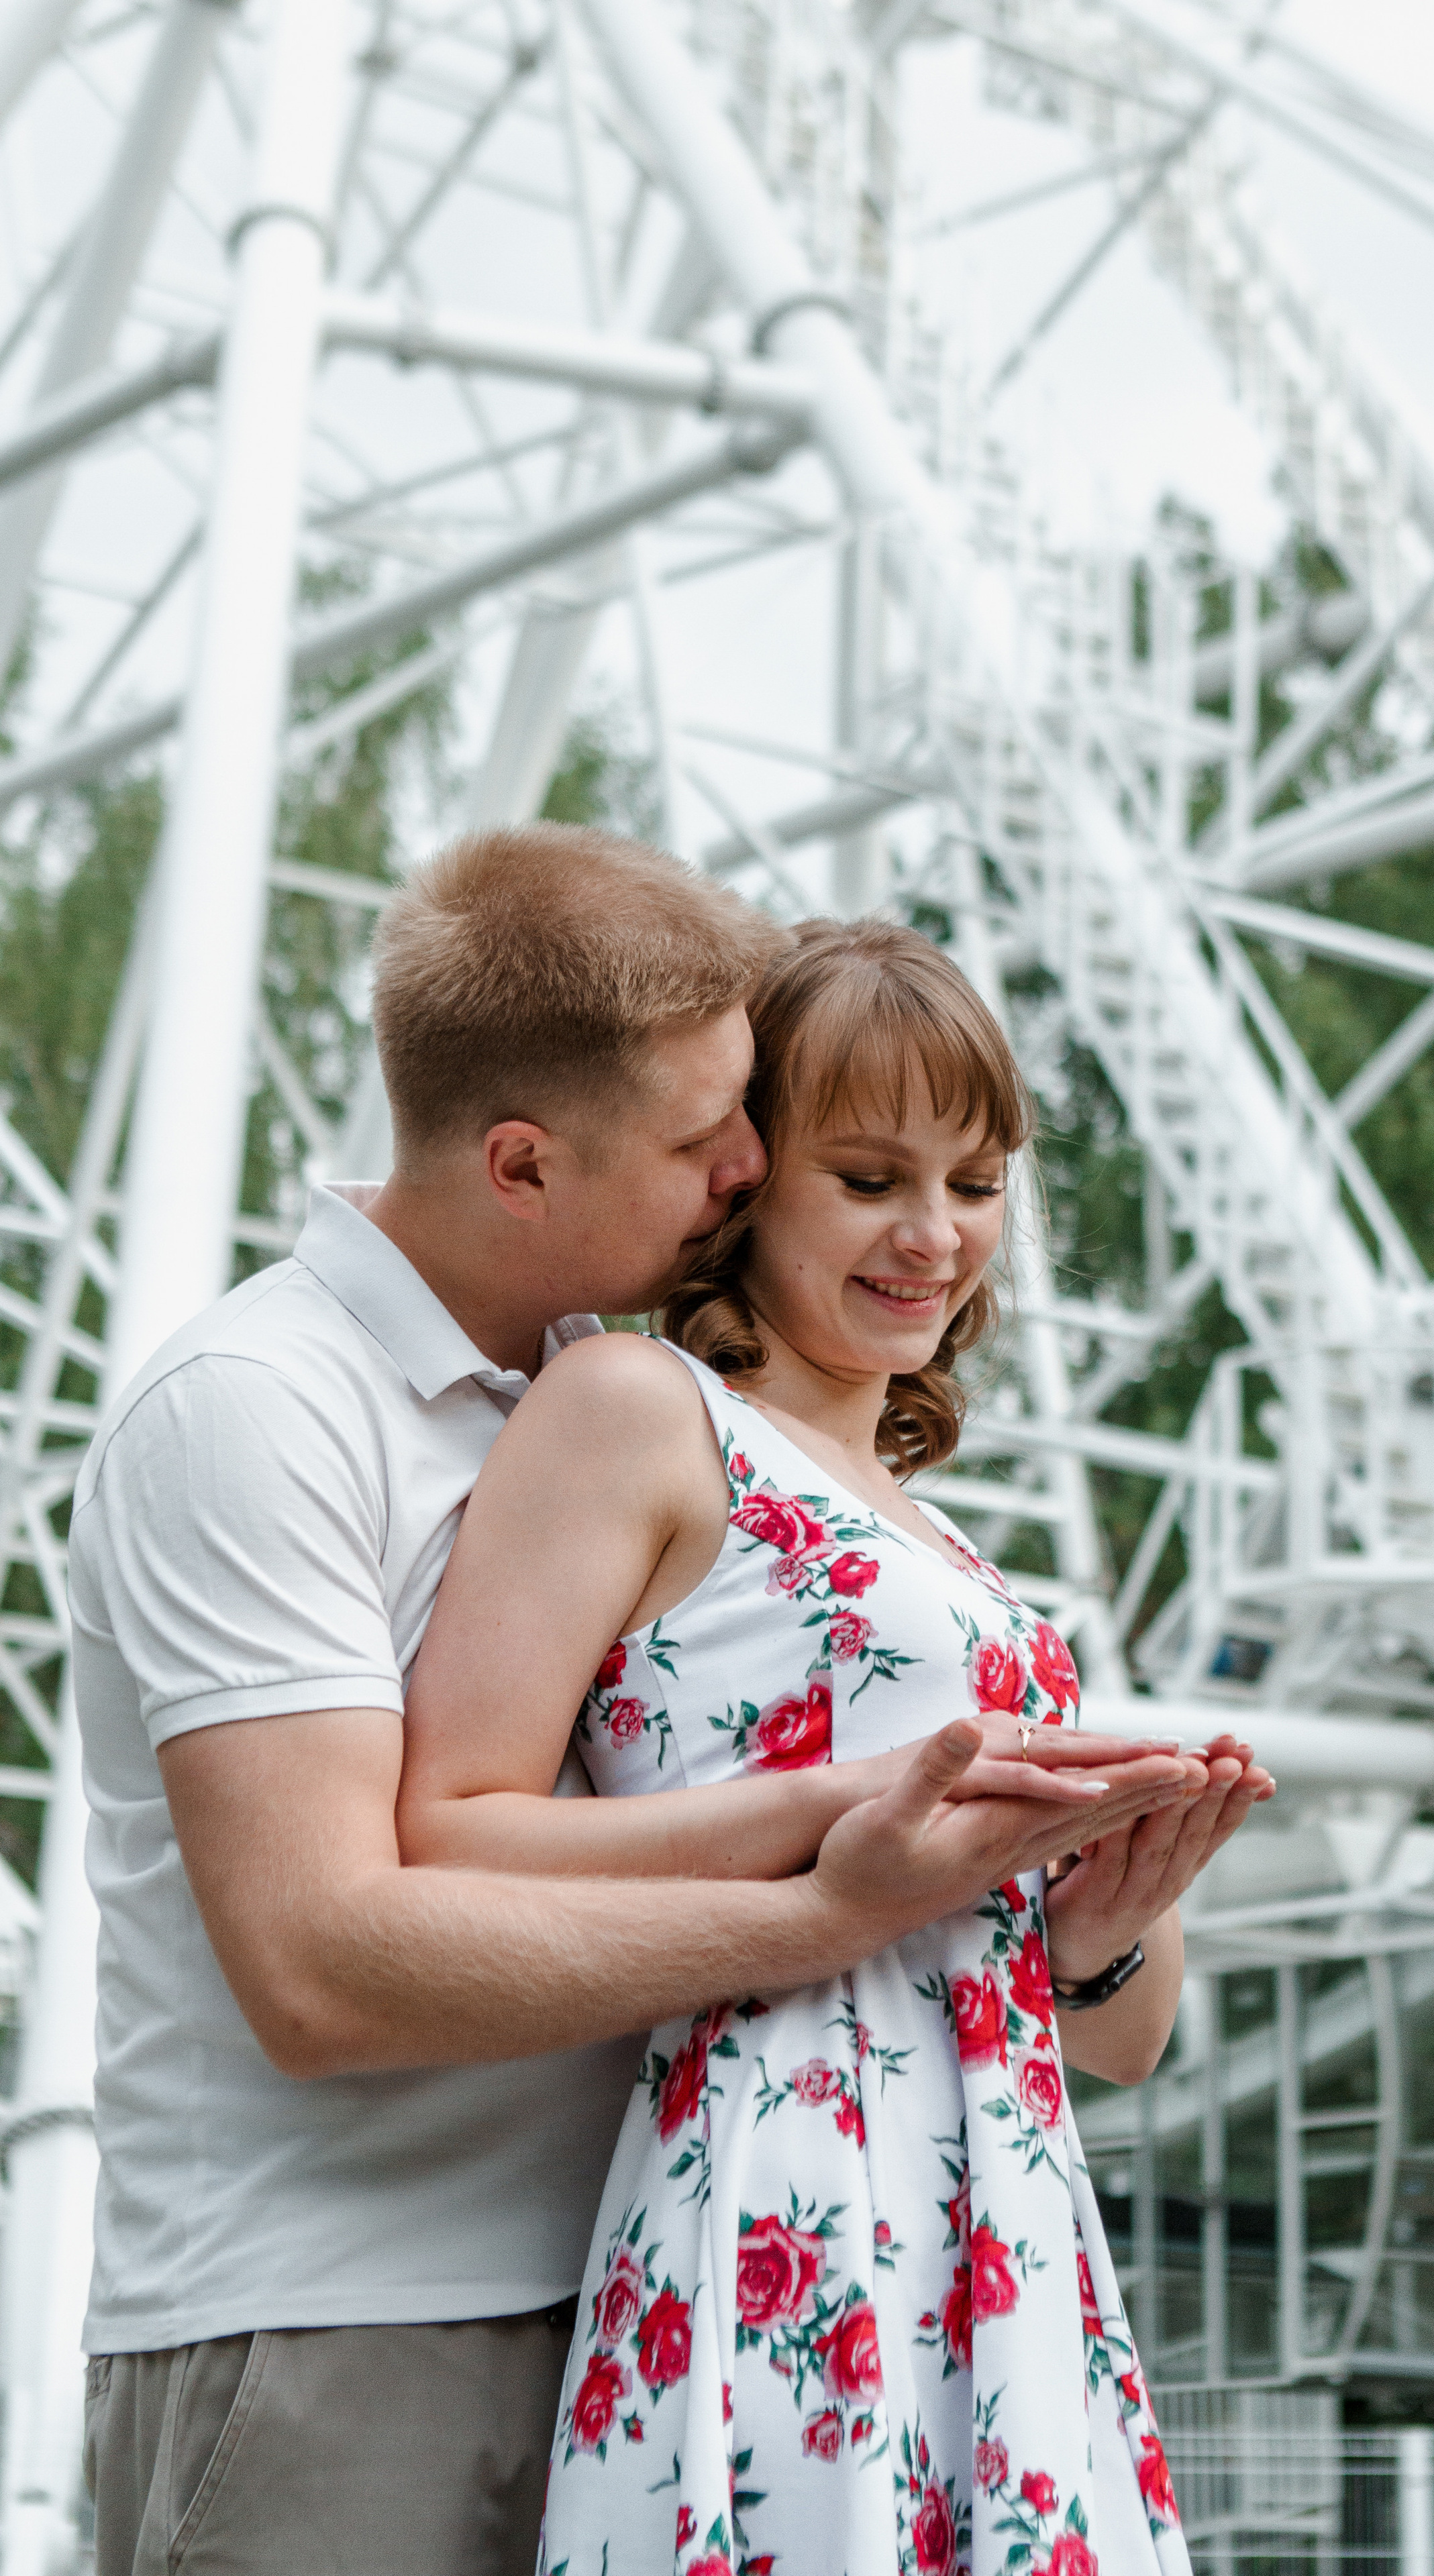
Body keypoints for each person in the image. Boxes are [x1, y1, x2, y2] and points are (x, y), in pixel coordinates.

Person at [70, 826, 1218, 2576]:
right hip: (348, 2313)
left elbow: (1085, 2019)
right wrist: (834, 1881)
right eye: (714, 1142)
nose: (741, 1172)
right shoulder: (265, 1407)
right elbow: (318, 1964)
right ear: (523, 1162)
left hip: (674, 2270)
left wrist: (1101, 1924)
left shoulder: (587, 1397)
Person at [399, 917, 1274, 2576]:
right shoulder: (641, 1413)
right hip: (784, 2172)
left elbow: (1124, 2042)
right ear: (746, 1180)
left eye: (975, 1179)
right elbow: (447, 1831)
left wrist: (1095, 1929)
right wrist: (839, 1820)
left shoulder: (962, 1551)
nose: (933, 1236)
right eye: (869, 1176)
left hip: (1001, 2205)